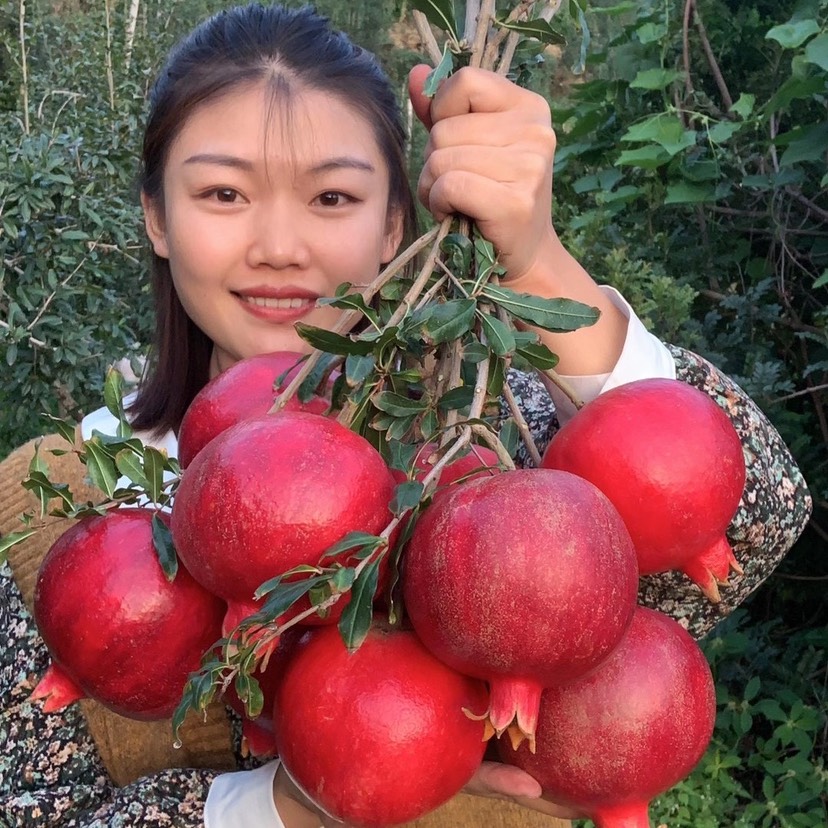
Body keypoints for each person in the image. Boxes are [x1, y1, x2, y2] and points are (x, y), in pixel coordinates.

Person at [0, 3, 812, 827]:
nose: (280, 244)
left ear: (395, 225)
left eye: (332, 197)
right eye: (223, 192)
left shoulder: (491, 462)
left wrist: (535, 266)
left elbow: (752, 527)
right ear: (155, 215)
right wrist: (300, 795)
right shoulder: (52, 503)